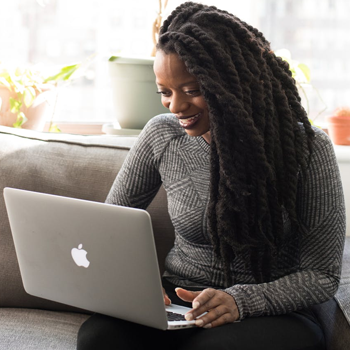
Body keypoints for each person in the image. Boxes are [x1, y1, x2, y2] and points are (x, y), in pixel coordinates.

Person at [77, 2, 346, 349]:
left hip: (270, 311)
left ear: (233, 84)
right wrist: (137, 284)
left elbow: (322, 276)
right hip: (179, 300)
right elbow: (109, 226)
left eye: (192, 91)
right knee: (99, 337)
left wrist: (239, 302)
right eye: (165, 92)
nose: (175, 106)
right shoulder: (162, 136)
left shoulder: (309, 150)